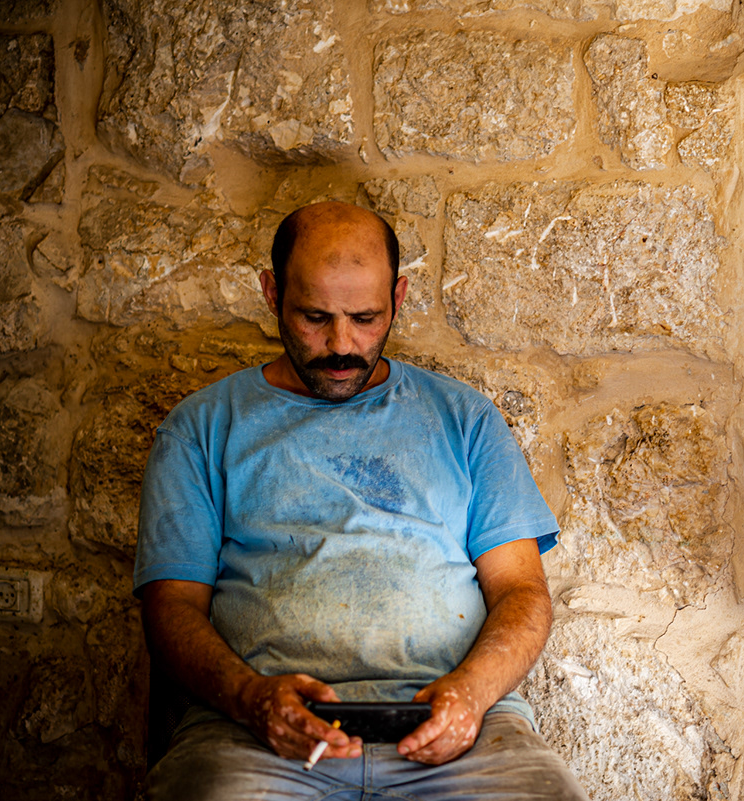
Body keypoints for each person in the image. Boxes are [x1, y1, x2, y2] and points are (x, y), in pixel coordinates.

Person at [134, 201, 588, 800]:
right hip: (256, 731)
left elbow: (522, 592)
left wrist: (472, 693)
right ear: (271, 294)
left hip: (456, 726)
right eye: (315, 317)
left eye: (367, 317)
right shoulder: (202, 427)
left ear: (398, 297)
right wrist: (251, 698)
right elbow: (170, 609)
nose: (342, 344)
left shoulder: (465, 420)